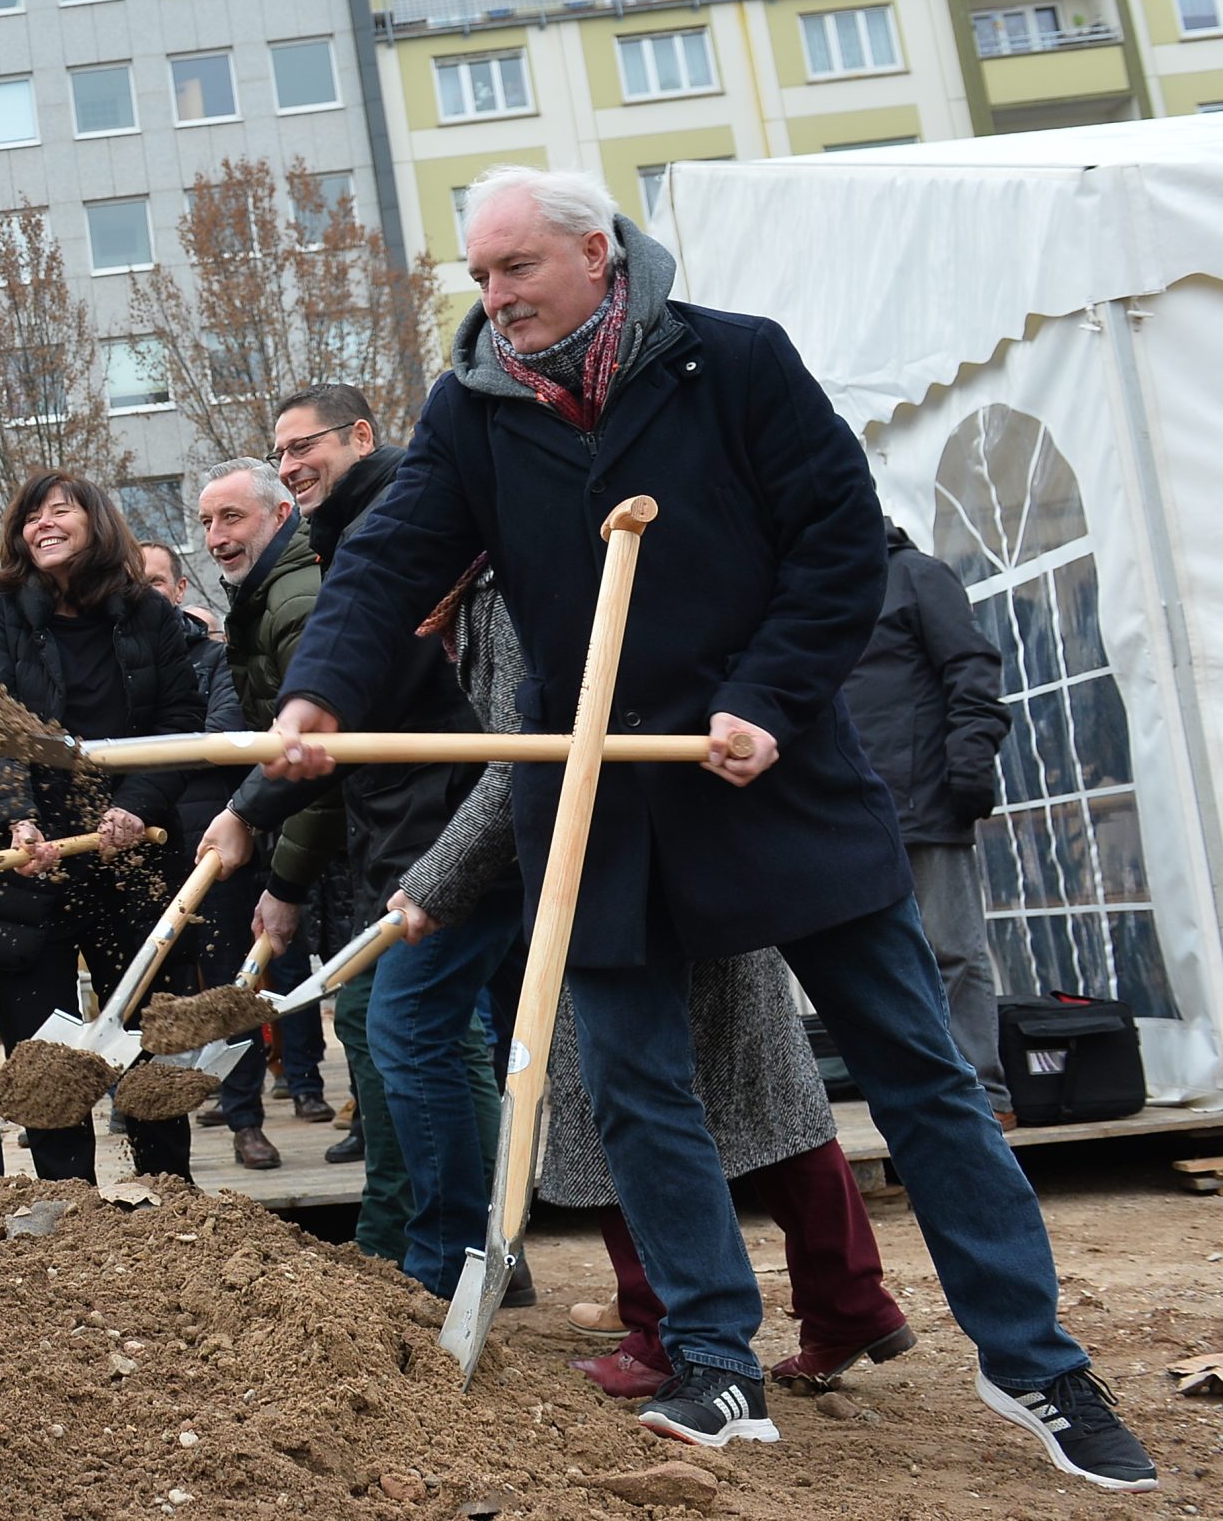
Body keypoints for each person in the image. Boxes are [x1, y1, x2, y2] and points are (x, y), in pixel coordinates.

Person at [262, 163, 1153, 1489]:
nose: (498, 299)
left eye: (520, 270)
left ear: (597, 251)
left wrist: (767, 697)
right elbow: (391, 555)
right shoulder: (476, 409)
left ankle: (1030, 1355)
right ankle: (714, 1354)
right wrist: (319, 689)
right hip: (609, 801)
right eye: (482, 277)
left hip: (772, 776)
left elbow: (841, 544)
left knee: (918, 1071)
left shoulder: (730, 361)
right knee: (636, 1088)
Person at [408, 562, 909, 1402]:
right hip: (691, 845)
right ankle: (849, 1296)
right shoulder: (495, 586)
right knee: (763, 1091)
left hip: (613, 862)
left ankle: (661, 1327)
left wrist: (432, 884)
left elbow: (521, 764)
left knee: (621, 1096)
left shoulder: (510, 591)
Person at [205, 384, 519, 1294]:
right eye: (282, 450)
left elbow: (356, 700)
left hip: (454, 824)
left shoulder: (391, 528)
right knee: (428, 1031)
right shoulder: (351, 529)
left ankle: (446, 1257)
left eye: (306, 445)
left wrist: (249, 811)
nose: (294, 462)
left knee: (411, 1027)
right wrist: (249, 813)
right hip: (424, 825)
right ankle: (465, 1252)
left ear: (364, 437)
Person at [0, 471, 205, 1186]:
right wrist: (15, 817)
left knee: (150, 1035)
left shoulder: (148, 614)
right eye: (31, 515)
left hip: (131, 855)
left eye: (59, 510)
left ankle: (168, 1193)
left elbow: (181, 722)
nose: (43, 523)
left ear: (97, 522)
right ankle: (68, 1204)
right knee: (42, 1049)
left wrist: (138, 803)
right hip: (34, 863)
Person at [845, 518, 1016, 1125]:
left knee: (952, 952)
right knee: (875, 967)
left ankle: (985, 1101)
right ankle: (921, 1100)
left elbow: (972, 670)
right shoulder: (818, 589)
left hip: (924, 800)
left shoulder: (917, 576)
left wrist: (967, 764)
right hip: (847, 811)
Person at [195, 459, 339, 1137]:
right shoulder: (257, 598)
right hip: (316, 827)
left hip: (357, 833)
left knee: (390, 1027)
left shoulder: (292, 602)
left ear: (280, 515)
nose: (216, 536)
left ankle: (411, 1214)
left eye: (232, 517)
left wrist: (283, 879)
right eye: (206, 522)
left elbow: (313, 754)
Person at [141, 538, 280, 1170]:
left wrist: (156, 755)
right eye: (132, 581)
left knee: (233, 987)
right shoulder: (120, 660)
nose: (145, 592)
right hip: (142, 848)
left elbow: (224, 738)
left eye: (156, 581)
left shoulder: (215, 658)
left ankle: (246, 1119)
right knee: (145, 983)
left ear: (177, 590)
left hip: (215, 846)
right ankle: (143, 1103)